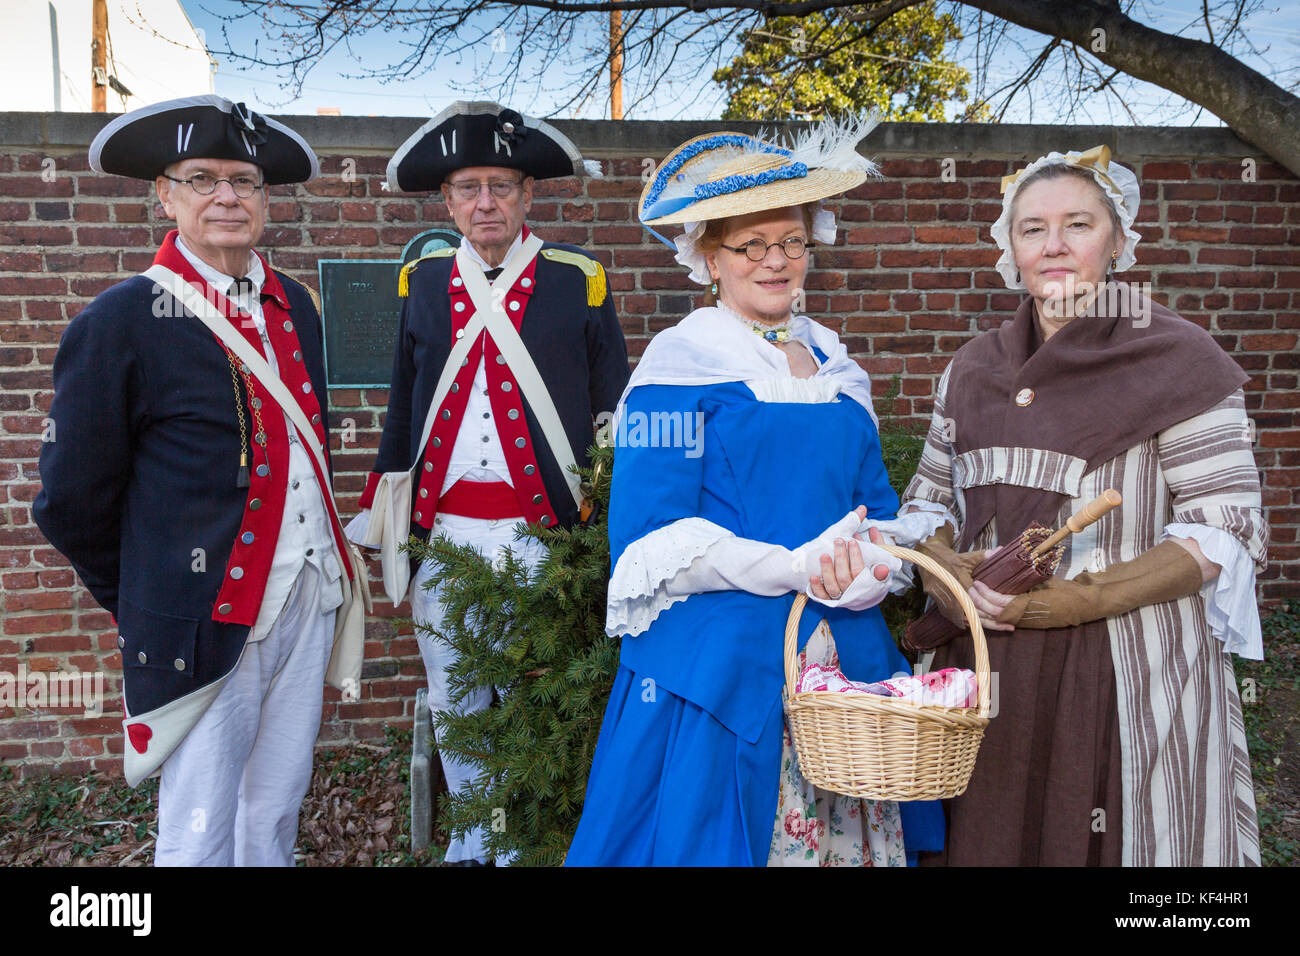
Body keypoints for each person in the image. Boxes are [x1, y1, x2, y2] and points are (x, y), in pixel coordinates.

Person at [565, 119, 947, 866]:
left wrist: (871, 568)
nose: (777, 261)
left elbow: (877, 505)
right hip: (723, 663)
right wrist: (794, 568)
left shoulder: (838, 367)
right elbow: (650, 539)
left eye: (793, 242)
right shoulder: (676, 369)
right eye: (752, 246)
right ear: (709, 257)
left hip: (845, 662)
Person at [901, 145, 1267, 866]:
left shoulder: (1181, 360)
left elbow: (1224, 529)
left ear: (1120, 239)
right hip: (982, 657)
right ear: (1011, 248)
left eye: (1078, 224)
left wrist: (1076, 599)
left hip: (1127, 662)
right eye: (1033, 228)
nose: (1056, 246)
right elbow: (928, 501)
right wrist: (946, 563)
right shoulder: (972, 367)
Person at [33, 94, 366, 866]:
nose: (227, 196)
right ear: (165, 194)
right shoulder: (121, 319)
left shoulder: (296, 309)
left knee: (276, 805)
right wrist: (152, 598)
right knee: (199, 824)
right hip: (200, 620)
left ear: (265, 197)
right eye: (202, 177)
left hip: (306, 601)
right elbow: (69, 502)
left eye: (245, 180)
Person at [349, 101, 629, 866]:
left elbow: (612, 418)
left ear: (528, 194)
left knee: (533, 698)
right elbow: (404, 410)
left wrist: (605, 524)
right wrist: (389, 514)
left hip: (543, 535)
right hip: (448, 536)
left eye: (501, 185)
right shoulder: (424, 280)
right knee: (456, 698)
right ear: (447, 202)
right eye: (468, 187)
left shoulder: (582, 281)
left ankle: (522, 841)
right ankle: (476, 834)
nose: (485, 203)